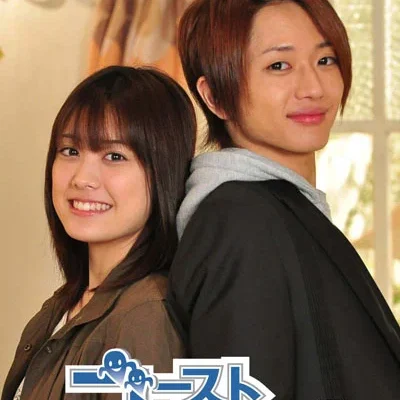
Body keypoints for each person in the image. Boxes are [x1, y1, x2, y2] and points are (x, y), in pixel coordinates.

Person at [168, 0, 400, 399]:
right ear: (215, 96)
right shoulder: (239, 222)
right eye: (279, 65)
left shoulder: (281, 209)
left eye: (325, 60)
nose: (314, 88)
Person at [2, 65, 196, 400]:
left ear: (163, 172)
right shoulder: (65, 304)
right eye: (70, 151)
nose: (82, 178)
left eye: (114, 156)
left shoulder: (144, 317)